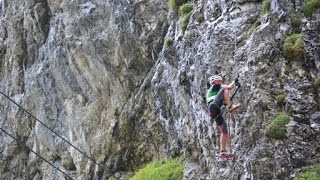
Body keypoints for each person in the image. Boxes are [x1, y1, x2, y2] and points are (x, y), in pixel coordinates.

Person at [206, 75, 240, 160]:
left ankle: (223, 152)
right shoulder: (215, 86)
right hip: (213, 106)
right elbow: (228, 87)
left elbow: (225, 98)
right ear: (214, 82)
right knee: (225, 89)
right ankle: (230, 107)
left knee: (224, 131)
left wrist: (227, 101)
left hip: (214, 111)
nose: (220, 83)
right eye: (219, 81)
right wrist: (235, 81)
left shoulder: (215, 93)